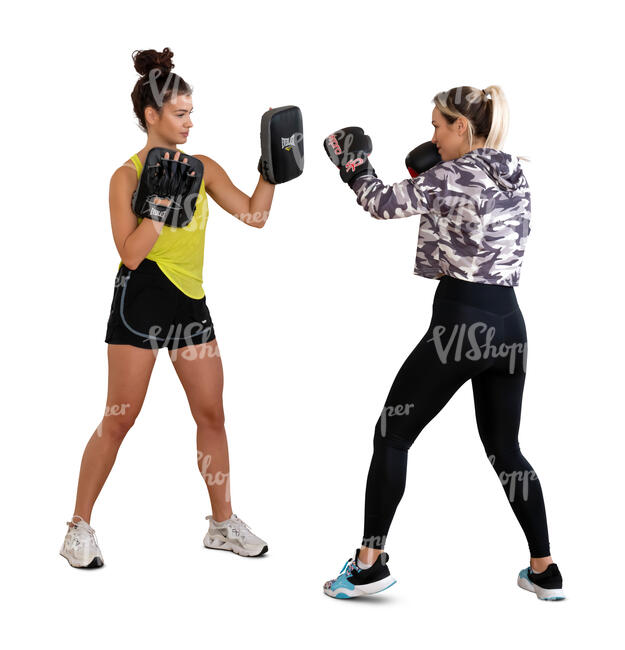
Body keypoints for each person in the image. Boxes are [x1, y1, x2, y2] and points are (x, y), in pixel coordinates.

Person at [322, 86, 565, 600]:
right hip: (510, 326)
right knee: (506, 449)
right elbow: (465, 212)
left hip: (461, 326)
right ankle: (544, 569)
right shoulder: (513, 171)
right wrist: (426, 177)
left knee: (392, 433)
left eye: (438, 124)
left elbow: (380, 203)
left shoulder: (449, 174)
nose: (431, 134)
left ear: (461, 127)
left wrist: (353, 164)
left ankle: (368, 563)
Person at [60, 47, 276, 568]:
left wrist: (271, 170)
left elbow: (254, 215)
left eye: (191, 112)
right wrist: (159, 204)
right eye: (180, 114)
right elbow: (130, 253)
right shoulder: (126, 177)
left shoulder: (203, 168)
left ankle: (222, 524)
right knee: (119, 418)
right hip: (140, 301)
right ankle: (77, 528)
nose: (189, 123)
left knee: (211, 414)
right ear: (151, 116)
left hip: (189, 305)